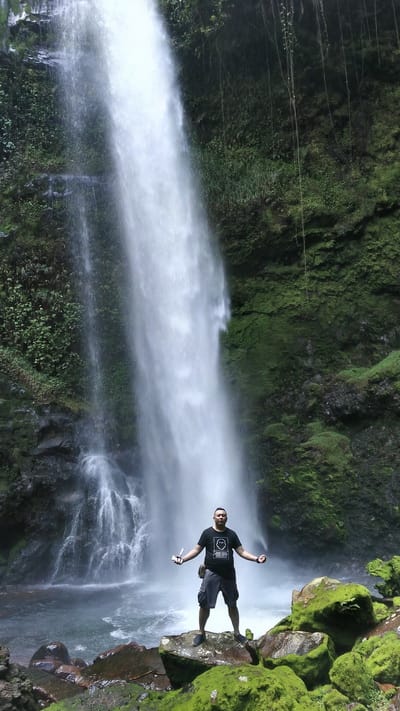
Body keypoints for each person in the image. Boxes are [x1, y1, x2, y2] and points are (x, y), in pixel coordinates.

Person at [172, 506, 267, 646]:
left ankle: (237, 633)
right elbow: (196, 550)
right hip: (211, 573)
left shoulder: (232, 535)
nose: (221, 517)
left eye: (223, 515)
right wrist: (183, 560)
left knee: (232, 604)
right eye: (218, 515)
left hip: (228, 574)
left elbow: (241, 552)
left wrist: (256, 559)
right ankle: (201, 633)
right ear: (214, 517)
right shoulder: (207, 533)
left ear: (226, 518)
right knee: (204, 604)